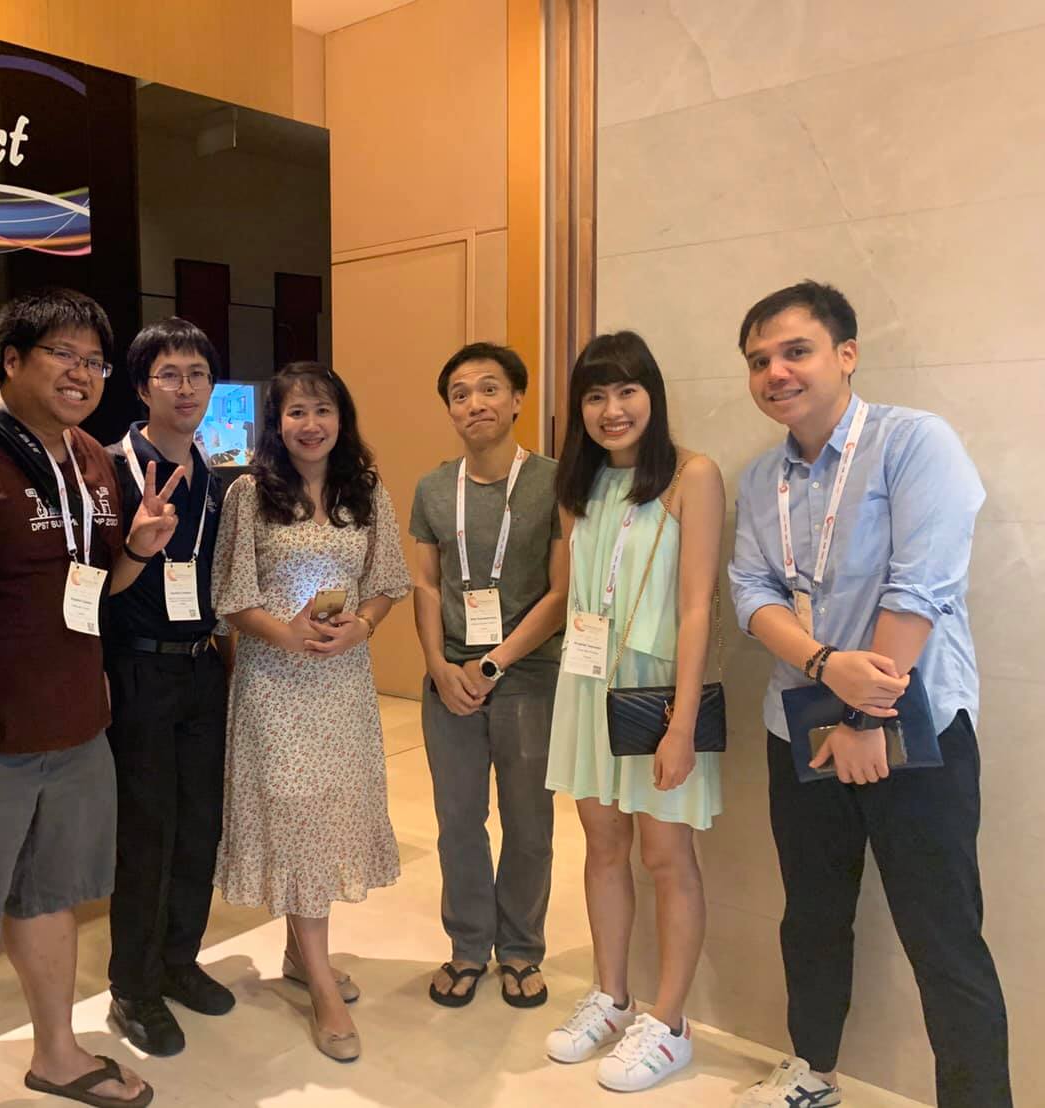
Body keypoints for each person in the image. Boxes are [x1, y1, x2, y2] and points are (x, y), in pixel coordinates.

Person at [728, 281, 1011, 1108]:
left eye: (795, 351)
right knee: (812, 916)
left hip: (916, 729)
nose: (776, 373)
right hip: (801, 726)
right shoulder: (762, 478)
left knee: (943, 936)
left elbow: (920, 588)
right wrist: (825, 667)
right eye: (759, 361)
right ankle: (812, 1071)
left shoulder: (914, 442)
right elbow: (751, 591)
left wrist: (862, 715)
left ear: (846, 355)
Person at [0, 289, 174, 1108]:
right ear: (11, 360)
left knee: (51, 897)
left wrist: (138, 550)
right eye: (62, 353)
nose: (82, 373)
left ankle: (56, 1054)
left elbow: (97, 587)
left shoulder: (90, 456)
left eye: (95, 361)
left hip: (75, 726)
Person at [540, 332, 725, 1093]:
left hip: (657, 691)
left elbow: (696, 605)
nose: (611, 410)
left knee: (666, 856)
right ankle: (611, 996)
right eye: (595, 395)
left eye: (626, 391)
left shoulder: (691, 476)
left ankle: (670, 1022)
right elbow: (576, 595)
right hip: (588, 682)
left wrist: (681, 723)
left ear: (653, 394)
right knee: (603, 846)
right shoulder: (579, 486)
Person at [211, 361, 410, 1062]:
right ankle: (321, 983)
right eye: (296, 411)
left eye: (323, 409)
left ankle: (302, 956)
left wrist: (364, 626)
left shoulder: (367, 491)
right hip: (275, 685)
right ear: (276, 422)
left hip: (342, 683)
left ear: (341, 418)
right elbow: (231, 596)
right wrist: (285, 634)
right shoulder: (249, 494)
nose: (310, 423)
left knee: (327, 810)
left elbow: (388, 580)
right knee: (294, 814)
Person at [408, 342, 566, 1012]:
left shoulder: (554, 481)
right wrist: (438, 667)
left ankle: (522, 948)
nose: (476, 403)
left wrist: (494, 662)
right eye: (461, 393)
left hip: (527, 677)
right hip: (449, 679)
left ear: (518, 398)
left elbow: (562, 592)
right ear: (450, 409)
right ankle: (470, 944)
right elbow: (424, 582)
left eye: (490, 388)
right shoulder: (432, 488)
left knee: (529, 821)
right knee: (458, 820)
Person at [104, 318, 234, 1057]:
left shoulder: (218, 478)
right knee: (146, 833)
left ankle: (180, 959)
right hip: (139, 669)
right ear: (141, 387)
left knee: (199, 825)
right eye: (169, 375)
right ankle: (134, 985)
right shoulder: (110, 469)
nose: (186, 388)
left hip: (202, 665)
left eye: (197, 374)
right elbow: (95, 586)